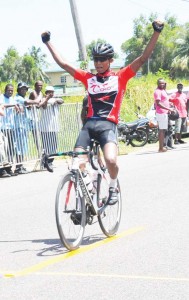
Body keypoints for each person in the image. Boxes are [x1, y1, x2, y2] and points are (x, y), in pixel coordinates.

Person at [41, 20, 164, 204]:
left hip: (108, 125)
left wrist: (157, 32)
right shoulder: (88, 78)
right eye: (95, 59)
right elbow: (64, 64)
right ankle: (89, 189)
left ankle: (113, 188)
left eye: (102, 59)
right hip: (89, 125)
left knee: (111, 161)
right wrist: (47, 42)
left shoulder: (120, 77)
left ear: (110, 61)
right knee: (77, 162)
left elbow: (143, 58)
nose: (98, 63)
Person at [14, 82, 41, 174]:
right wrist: (39, 99)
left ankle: (21, 165)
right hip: (19, 126)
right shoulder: (18, 98)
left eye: (25, 89)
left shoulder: (23, 97)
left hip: (24, 126)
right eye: (22, 89)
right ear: (18, 89)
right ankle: (18, 167)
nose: (24, 90)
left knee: (23, 147)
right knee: (19, 147)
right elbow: (30, 102)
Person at [39, 86, 64, 167]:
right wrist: (47, 99)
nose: (51, 93)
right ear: (46, 92)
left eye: (52, 92)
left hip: (54, 127)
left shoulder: (54, 99)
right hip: (45, 127)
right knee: (46, 146)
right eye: (49, 92)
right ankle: (45, 162)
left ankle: (50, 162)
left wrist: (55, 99)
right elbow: (44, 106)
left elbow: (61, 101)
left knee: (54, 146)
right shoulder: (42, 100)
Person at [0, 84, 19, 177]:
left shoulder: (13, 99)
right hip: (2, 127)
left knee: (11, 149)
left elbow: (16, 107)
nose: (10, 92)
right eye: (9, 90)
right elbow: (2, 105)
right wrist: (14, 105)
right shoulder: (1, 98)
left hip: (11, 127)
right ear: (5, 90)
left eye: (12, 90)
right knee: (2, 149)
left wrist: (18, 108)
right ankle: (2, 170)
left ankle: (9, 168)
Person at [154, 78, 174, 153]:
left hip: (165, 112)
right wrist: (168, 108)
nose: (162, 84)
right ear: (158, 84)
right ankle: (160, 148)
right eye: (160, 83)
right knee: (161, 130)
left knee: (164, 130)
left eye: (163, 83)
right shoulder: (157, 92)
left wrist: (169, 105)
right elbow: (158, 103)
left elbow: (165, 100)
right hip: (161, 112)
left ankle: (162, 147)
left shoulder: (163, 91)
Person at [28, 80, 44, 152]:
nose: (40, 87)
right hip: (32, 118)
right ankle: (39, 152)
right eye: (38, 85)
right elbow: (38, 104)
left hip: (38, 117)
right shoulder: (33, 93)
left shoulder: (40, 93)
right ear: (35, 86)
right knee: (36, 136)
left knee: (41, 135)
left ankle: (42, 151)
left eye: (41, 85)